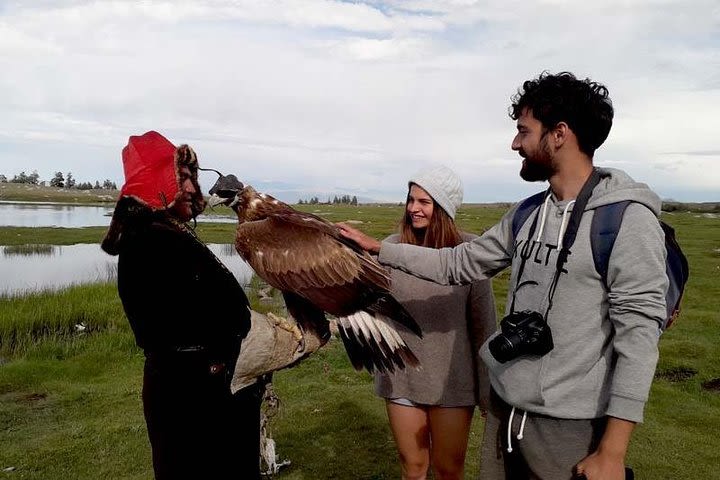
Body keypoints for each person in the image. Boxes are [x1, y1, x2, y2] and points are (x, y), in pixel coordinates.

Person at [338, 72, 667, 480]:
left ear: (559, 134)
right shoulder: (526, 214)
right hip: (506, 414)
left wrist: (613, 452)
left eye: (523, 131)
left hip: (568, 425)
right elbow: (456, 264)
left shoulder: (626, 219)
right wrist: (379, 249)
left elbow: (638, 335)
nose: (515, 144)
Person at [102, 131, 264, 479]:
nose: (193, 188)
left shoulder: (162, 233)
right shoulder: (152, 242)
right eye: (183, 178)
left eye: (193, 178)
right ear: (158, 183)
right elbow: (218, 316)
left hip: (194, 386)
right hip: (194, 397)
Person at [375, 165, 496, 480]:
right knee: (413, 469)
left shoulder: (470, 254)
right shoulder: (389, 248)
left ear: (443, 207)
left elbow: (485, 327)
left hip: (453, 382)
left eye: (424, 202)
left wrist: (487, 391)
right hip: (401, 377)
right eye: (411, 200)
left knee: (448, 471)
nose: (413, 208)